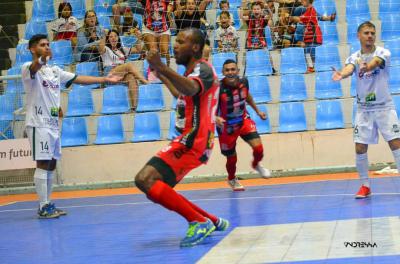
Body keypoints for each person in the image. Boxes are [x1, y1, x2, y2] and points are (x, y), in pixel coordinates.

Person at [134, 28, 229, 247]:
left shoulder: (202, 68)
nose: (175, 45)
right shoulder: (192, 72)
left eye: (180, 41)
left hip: (194, 141)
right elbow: (183, 94)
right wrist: (163, 75)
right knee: (156, 190)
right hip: (191, 140)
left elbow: (191, 89)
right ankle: (212, 221)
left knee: (145, 179)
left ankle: (198, 221)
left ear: (195, 47)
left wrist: (161, 66)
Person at [22, 34, 121, 218]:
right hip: (38, 123)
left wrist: (104, 80)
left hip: (52, 124)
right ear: (32, 49)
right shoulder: (27, 68)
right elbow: (35, 67)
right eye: (42, 45)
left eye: (48, 44)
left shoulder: (54, 71)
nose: (46, 47)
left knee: (51, 164)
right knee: (43, 163)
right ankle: (43, 206)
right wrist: (43, 58)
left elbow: (78, 78)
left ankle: (48, 204)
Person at [332, 21, 400, 199]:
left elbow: (376, 62)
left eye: (372, 33)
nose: (370, 36)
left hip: (385, 108)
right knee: (360, 148)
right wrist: (342, 74)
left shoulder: (383, 52)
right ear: (358, 36)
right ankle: (365, 185)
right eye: (366, 33)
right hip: (364, 110)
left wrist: (368, 66)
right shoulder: (354, 57)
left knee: (396, 144)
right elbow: (350, 68)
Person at [216, 59, 271, 191]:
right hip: (226, 126)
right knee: (231, 158)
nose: (230, 72)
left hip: (242, 120)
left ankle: (256, 164)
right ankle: (231, 179)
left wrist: (258, 111)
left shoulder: (244, 82)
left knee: (259, 149)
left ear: (238, 71)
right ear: (223, 72)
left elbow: (247, 96)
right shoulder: (217, 88)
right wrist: (215, 117)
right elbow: (207, 107)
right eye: (227, 70)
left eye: (233, 69)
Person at [99, 29, 148, 110]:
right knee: (128, 65)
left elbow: (138, 50)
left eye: (115, 36)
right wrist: (104, 36)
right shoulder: (105, 49)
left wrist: (138, 38)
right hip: (109, 74)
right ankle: (144, 81)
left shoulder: (122, 49)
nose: (113, 38)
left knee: (131, 78)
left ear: (118, 38)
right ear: (108, 39)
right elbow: (100, 48)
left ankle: (134, 107)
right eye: (111, 37)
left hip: (121, 75)